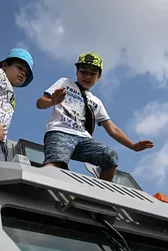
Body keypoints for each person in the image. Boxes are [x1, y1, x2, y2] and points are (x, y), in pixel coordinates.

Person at [36, 52, 153, 181]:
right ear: (77, 72)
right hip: (61, 131)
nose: (87, 76)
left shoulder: (96, 102)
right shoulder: (65, 83)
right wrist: (53, 101)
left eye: (92, 74)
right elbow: (40, 103)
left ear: (99, 77)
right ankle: (39, 183)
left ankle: (101, 195)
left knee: (110, 156)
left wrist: (133, 146)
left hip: (84, 139)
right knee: (56, 164)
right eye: (84, 72)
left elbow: (112, 129)